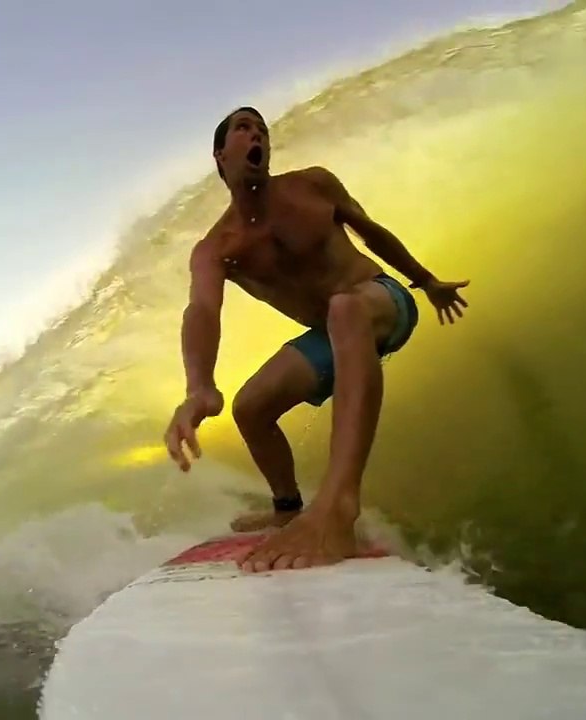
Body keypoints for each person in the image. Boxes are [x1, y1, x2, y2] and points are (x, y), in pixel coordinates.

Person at [163, 106, 468, 573]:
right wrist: (198, 386)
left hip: (380, 302)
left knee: (344, 307)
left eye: (262, 128)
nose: (256, 134)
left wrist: (425, 282)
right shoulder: (217, 249)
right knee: (251, 408)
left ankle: (340, 504)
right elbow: (202, 309)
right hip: (330, 332)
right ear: (220, 155)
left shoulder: (313, 186)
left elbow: (372, 234)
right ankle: (287, 505)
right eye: (244, 128)